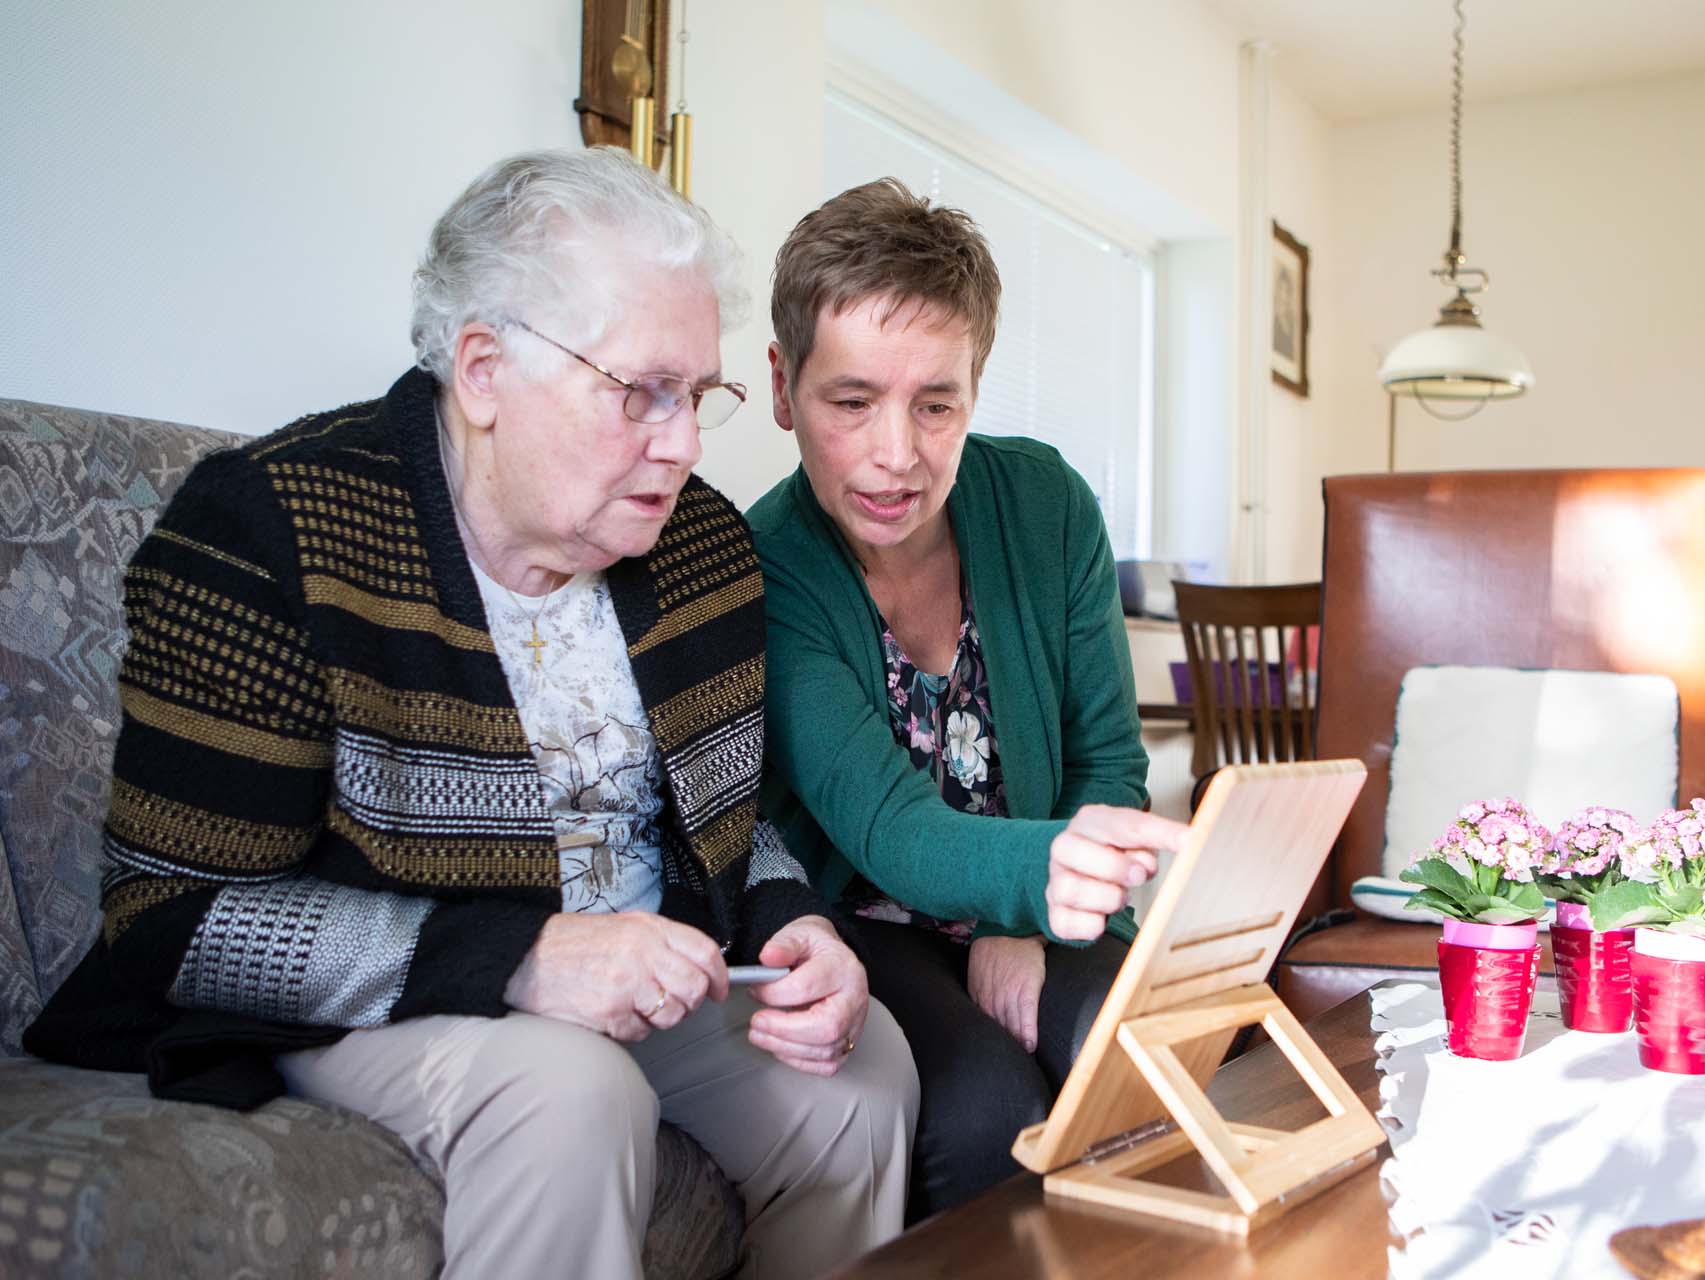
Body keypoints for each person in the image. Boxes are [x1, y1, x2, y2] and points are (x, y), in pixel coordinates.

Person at [25, 147, 916, 1279]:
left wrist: (796, 924)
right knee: (568, 1086)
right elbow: (173, 914)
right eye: (640, 391)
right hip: (376, 1005)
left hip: (646, 977)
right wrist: (525, 957)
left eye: (698, 395)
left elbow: (721, 813)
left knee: (860, 1066)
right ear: (485, 369)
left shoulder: (699, 547)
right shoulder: (268, 532)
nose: (685, 441)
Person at [747, 178, 1188, 1218]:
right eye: (851, 401)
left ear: (977, 388)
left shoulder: (1046, 503)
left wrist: (1018, 920)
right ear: (781, 386)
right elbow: (889, 828)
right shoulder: (767, 564)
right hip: (868, 915)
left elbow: (1106, 759)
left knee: (1130, 1058)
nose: (897, 453)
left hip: (1027, 893)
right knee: (983, 1111)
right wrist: (1029, 884)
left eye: (936, 403)